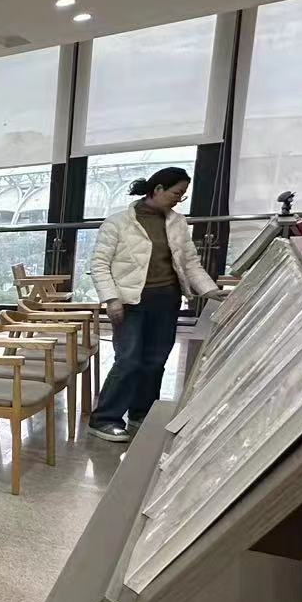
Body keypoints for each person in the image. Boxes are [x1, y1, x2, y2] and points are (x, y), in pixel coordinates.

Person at [87, 167, 222, 444]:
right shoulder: (118, 222)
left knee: (155, 360)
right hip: (130, 302)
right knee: (129, 360)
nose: (178, 199)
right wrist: (111, 299)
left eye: (182, 195)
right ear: (158, 189)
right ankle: (105, 419)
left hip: (166, 299)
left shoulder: (177, 222)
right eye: (176, 193)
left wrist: (210, 291)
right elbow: (99, 264)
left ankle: (142, 414)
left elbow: (190, 263)